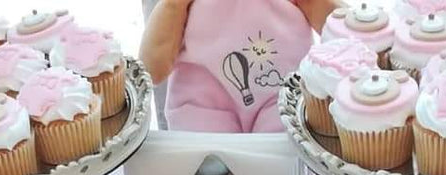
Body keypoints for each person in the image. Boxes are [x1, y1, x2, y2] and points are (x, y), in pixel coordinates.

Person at [140, 0, 340, 132]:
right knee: (203, 165)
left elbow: (326, 13)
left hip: (281, 93)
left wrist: (361, 36)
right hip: (203, 99)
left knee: (285, 157)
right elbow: (152, 68)